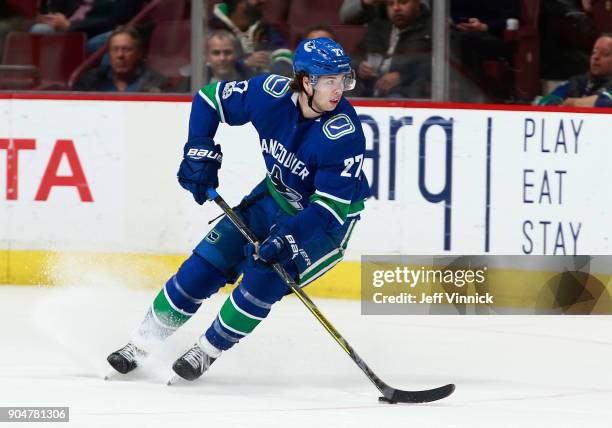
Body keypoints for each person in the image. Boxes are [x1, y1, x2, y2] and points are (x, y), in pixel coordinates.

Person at [106, 37, 371, 382]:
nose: (339, 91)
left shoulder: (344, 134)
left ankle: (207, 351)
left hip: (321, 226)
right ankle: (141, 344)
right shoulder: (269, 94)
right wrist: (198, 148)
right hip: (272, 198)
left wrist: (286, 237)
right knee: (203, 267)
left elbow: (329, 210)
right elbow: (208, 99)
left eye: (343, 80)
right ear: (305, 80)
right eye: (329, 81)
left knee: (263, 281)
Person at [353, 0, 432, 98]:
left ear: (418, 2)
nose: (396, 8)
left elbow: (443, 65)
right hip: (369, 91)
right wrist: (360, 66)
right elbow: (351, 59)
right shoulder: (378, 29)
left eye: (403, 2)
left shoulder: (434, 29)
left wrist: (403, 76)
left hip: (408, 95)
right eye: (390, 4)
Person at [74, 25, 168, 92]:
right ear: (108, 54)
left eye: (127, 50)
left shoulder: (156, 82)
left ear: (139, 53)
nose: (120, 55)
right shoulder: (90, 81)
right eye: (115, 49)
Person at [212, 0, 292, 77]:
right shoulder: (212, 28)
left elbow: (283, 52)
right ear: (240, 3)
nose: (263, 1)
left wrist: (275, 73)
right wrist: (244, 63)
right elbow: (209, 66)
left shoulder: (263, 28)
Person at [538, 33, 612, 107]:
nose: (596, 57)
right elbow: (545, 101)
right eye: (594, 52)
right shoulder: (577, 82)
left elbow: (606, 102)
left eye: (605, 54)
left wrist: (571, 103)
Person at [175, 30, 253, 92]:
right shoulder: (190, 85)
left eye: (228, 52)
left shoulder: (252, 82)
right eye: (216, 53)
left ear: (236, 54)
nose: (222, 58)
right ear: (207, 56)